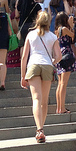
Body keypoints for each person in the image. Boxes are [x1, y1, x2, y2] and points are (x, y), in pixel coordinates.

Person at [20, 10, 61, 143]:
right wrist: (53, 61)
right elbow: (58, 56)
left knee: (36, 99)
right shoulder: (52, 36)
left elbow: (24, 57)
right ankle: (41, 128)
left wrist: (22, 76)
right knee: (44, 101)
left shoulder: (31, 34)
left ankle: (39, 129)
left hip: (33, 65)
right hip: (47, 66)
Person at [55, 12, 76, 114]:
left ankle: (59, 107)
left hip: (60, 55)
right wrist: (72, 25)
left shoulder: (57, 30)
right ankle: (62, 108)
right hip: (66, 55)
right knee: (63, 84)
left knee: (60, 84)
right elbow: (75, 36)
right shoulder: (64, 29)